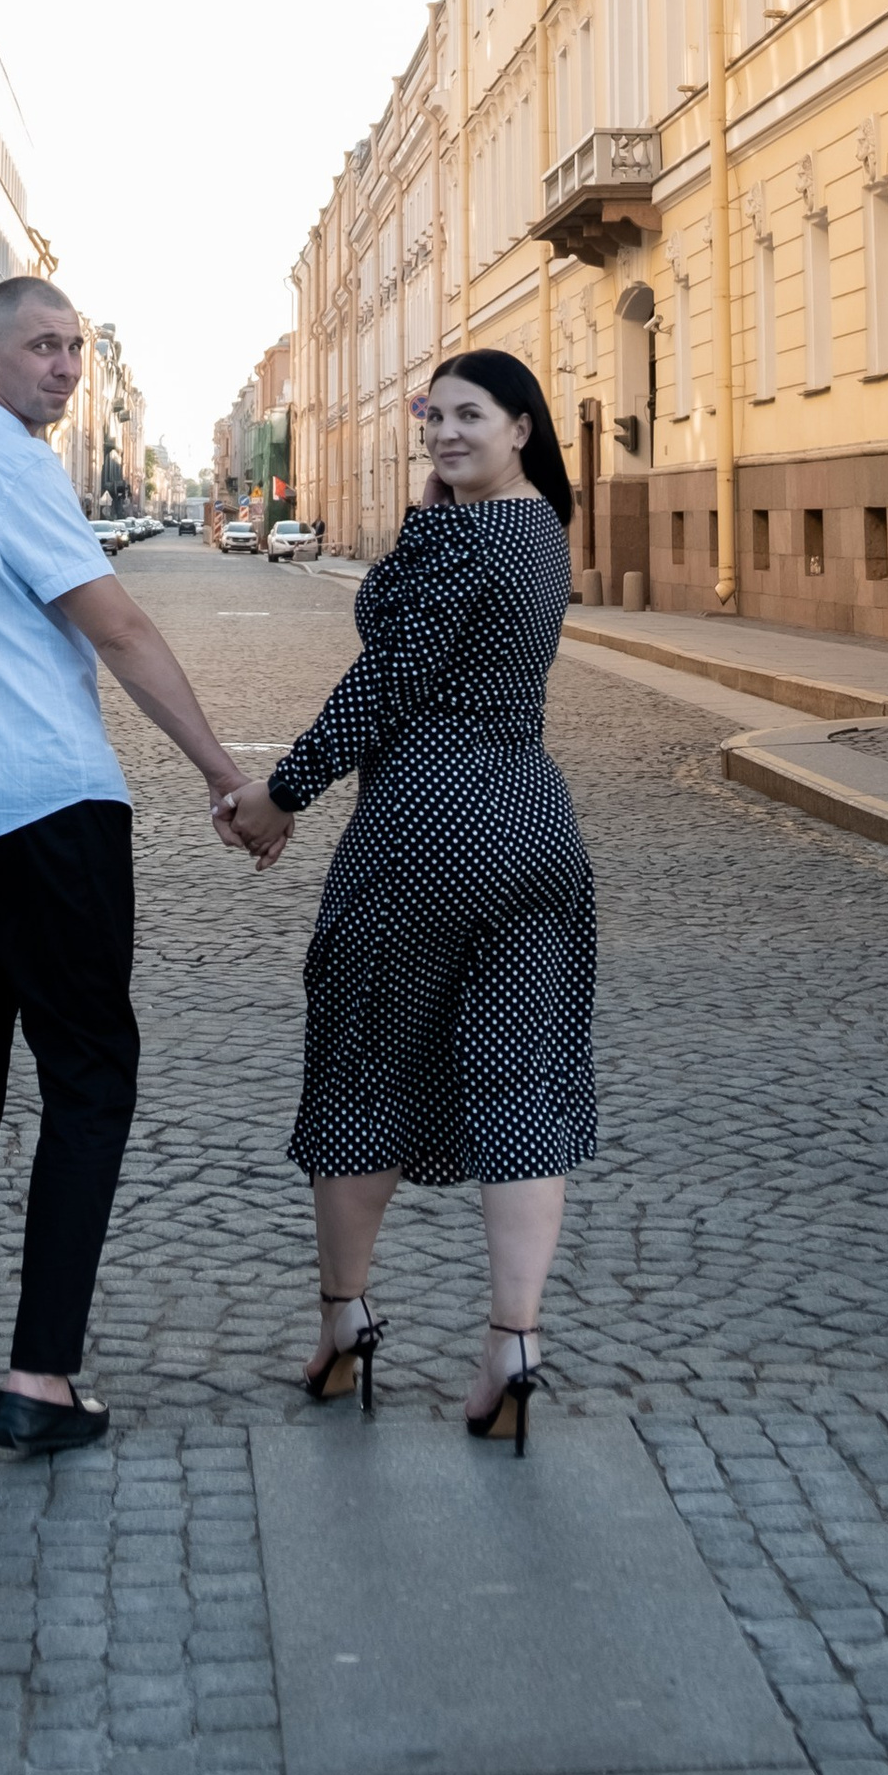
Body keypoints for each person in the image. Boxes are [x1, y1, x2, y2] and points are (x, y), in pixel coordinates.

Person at [0, 276, 264, 1453]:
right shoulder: (14, 469)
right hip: (51, 813)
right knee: (90, 1082)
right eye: (38, 348)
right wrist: (221, 773)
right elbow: (120, 627)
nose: (60, 367)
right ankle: (40, 1378)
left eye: (71, 350)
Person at [220, 349, 595, 1455]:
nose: (442, 432)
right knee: (520, 1073)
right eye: (432, 417)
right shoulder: (541, 532)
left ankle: (344, 1324)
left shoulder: (457, 534)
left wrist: (279, 793)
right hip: (532, 821)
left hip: (423, 824)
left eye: (468, 416)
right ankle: (512, 1343)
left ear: (522, 424)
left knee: (364, 1067)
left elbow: (384, 682)